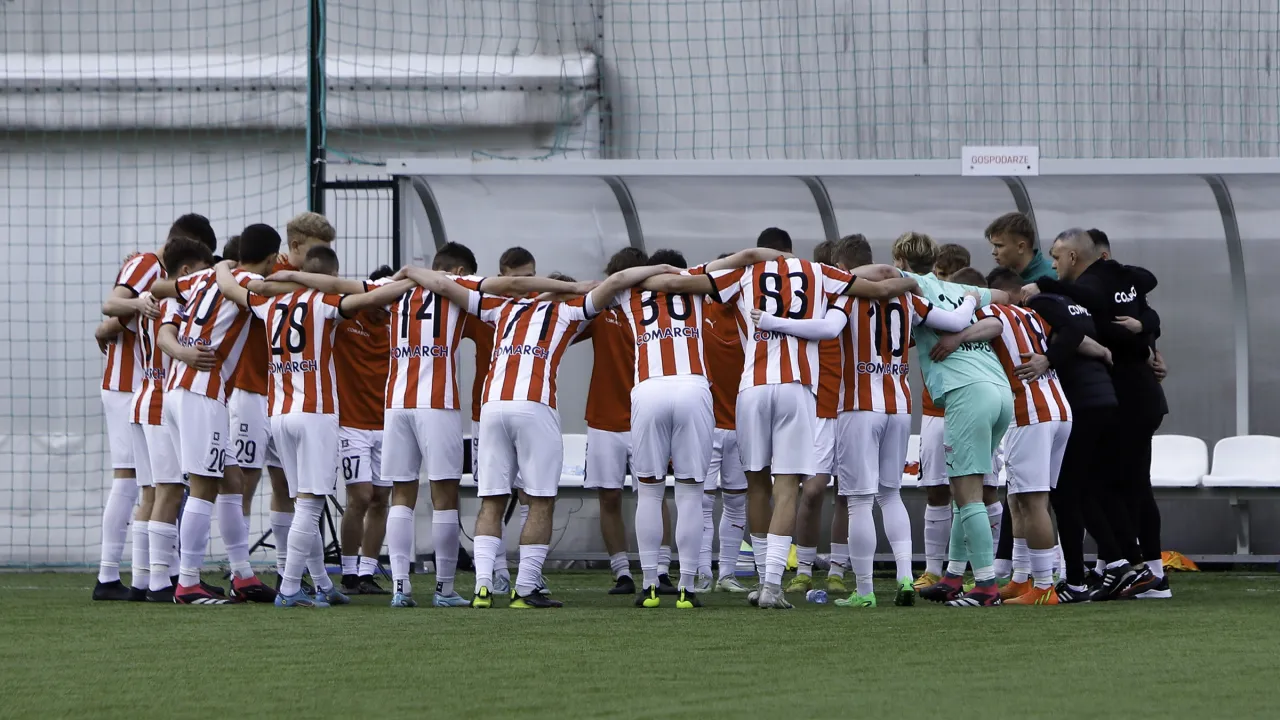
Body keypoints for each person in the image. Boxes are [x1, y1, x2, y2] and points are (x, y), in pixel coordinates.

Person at [652, 227, 919, 609]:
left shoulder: (745, 272)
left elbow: (679, 283)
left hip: (754, 387)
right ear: (793, 252)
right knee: (787, 485)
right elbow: (879, 286)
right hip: (798, 388)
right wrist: (912, 280)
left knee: (756, 485)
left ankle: (762, 578)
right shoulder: (819, 273)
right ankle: (774, 585)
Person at [409, 263, 675, 609]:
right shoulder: (567, 311)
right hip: (534, 405)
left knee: (491, 500)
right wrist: (663, 268)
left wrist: (409, 271)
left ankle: (483, 588)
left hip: (491, 407)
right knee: (540, 499)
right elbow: (619, 280)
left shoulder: (501, 308)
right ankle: (525, 588)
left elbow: (443, 286)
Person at [751, 236, 980, 608]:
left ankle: (865, 590)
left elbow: (825, 330)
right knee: (891, 496)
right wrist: (971, 295)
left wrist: (773, 321)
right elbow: (955, 320)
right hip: (900, 406)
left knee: (858, 500)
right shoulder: (907, 297)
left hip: (858, 407)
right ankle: (906, 578)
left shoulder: (846, 295)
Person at [213, 251, 412, 608]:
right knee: (310, 503)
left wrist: (223, 266)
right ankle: (289, 587)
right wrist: (417, 278)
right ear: (331, 275)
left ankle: (321, 583)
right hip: (315, 412)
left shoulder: (267, 302)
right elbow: (373, 297)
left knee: (301, 500)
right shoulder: (326, 300)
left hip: (279, 413)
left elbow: (229, 288)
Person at [607, 247, 772, 608]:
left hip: (649, 388)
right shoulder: (693, 278)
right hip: (693, 387)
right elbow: (744, 257)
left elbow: (610, 281)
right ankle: (687, 587)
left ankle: (650, 584)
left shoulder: (627, 289)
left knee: (649, 492)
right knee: (690, 494)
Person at [1031, 228, 1169, 600]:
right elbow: (1145, 300)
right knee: (1120, 482)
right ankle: (1123, 566)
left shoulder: (1093, 284)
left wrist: (1040, 286)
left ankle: (1139, 571)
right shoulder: (1128, 278)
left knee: (1111, 484)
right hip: (1137, 394)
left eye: (1056, 257)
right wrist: (1147, 332)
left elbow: (1093, 319)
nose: (1053, 263)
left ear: (1077, 256)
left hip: (1126, 396)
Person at [155, 223, 283, 605]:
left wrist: (217, 269)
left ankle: (242, 576)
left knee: (231, 481)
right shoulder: (245, 283)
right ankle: (188, 581)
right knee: (204, 486)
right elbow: (249, 294)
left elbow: (160, 289)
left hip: (180, 389)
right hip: (202, 393)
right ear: (274, 259)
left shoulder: (203, 278)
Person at [934, 269, 1074, 605]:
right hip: (1057, 408)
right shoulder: (1034, 314)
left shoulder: (993, 310)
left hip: (1030, 411)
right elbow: (1076, 334)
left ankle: (1043, 586)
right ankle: (1022, 579)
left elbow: (993, 325)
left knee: (1033, 500)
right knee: (1018, 498)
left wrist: (959, 337)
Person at [1006, 269, 1120, 603]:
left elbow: (1070, 334)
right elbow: (1079, 333)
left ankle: (1072, 579)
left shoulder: (1037, 304)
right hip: (1087, 402)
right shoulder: (1072, 302)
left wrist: (1048, 359)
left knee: (1053, 496)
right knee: (1067, 492)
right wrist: (1100, 349)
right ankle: (1093, 568)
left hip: (1068, 405)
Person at [95, 236, 172, 600]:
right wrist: (134, 309)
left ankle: (149, 577)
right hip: (129, 386)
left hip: (138, 390)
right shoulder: (148, 265)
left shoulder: (152, 271)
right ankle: (110, 576)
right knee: (130, 481)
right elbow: (111, 313)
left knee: (150, 484)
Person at [461, 246, 537, 593]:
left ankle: (527, 574)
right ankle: (497, 570)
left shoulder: (540, 306)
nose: (525, 284)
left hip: (530, 408)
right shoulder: (484, 307)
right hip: (485, 413)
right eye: (519, 278)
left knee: (529, 493)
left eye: (531, 277)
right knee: (493, 494)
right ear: (502, 274)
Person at [579, 247, 649, 596]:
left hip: (645, 417)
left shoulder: (654, 308)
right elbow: (567, 328)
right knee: (609, 497)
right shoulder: (600, 309)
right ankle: (622, 572)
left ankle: (658, 570)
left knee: (650, 495)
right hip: (605, 418)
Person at [785, 239, 851, 596]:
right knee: (812, 490)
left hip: (857, 407)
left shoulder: (858, 301)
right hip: (821, 408)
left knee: (847, 493)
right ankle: (804, 568)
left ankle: (838, 569)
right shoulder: (807, 306)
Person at [326, 259, 394, 596]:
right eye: (380, 300)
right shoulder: (346, 320)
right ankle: (348, 571)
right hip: (351, 424)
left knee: (382, 499)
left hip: (388, 426)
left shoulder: (400, 327)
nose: (385, 309)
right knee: (360, 497)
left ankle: (367, 572)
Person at [700, 255, 751, 594]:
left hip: (743, 425)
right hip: (704, 425)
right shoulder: (698, 313)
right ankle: (702, 572)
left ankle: (727, 573)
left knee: (736, 500)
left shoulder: (751, 314)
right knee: (701, 501)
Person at [986, 212, 1056, 282]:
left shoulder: (1055, 278)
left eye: (999, 246)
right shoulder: (999, 279)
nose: (993, 252)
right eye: (993, 245)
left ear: (1021, 247)